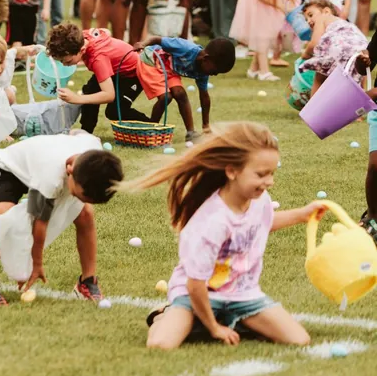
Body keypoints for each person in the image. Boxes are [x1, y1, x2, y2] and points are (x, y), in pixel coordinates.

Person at [130, 123, 318, 349]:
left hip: (242, 294)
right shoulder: (212, 222)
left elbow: (260, 224)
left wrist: (302, 214)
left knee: (299, 340)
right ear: (232, 171)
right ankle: (166, 314)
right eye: (261, 174)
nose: (269, 181)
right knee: (161, 344)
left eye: (271, 173)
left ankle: (230, 319)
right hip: (197, 295)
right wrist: (214, 328)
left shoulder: (260, 200)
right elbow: (195, 285)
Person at [0, 132, 121, 306]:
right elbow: (40, 223)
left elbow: (80, 133)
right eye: (80, 196)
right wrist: (36, 263)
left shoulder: (95, 154)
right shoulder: (50, 177)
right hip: (12, 169)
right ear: (71, 172)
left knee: (86, 214)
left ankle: (87, 281)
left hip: (42, 167)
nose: (80, 200)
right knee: (3, 214)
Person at [51, 23, 149, 133]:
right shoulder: (81, 37)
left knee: (115, 111)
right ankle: (86, 132)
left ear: (82, 50)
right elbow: (106, 31)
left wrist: (77, 98)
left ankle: (151, 126)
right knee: (89, 91)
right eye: (61, 61)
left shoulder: (98, 59)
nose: (64, 64)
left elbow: (109, 95)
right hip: (114, 69)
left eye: (68, 61)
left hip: (132, 74)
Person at [136, 35, 236, 138]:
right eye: (214, 71)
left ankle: (190, 133)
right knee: (166, 97)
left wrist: (206, 126)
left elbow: (204, 97)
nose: (214, 75)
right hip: (151, 60)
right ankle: (150, 130)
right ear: (206, 59)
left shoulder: (203, 72)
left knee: (180, 94)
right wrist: (143, 44)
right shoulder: (185, 48)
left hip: (168, 68)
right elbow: (156, 39)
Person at [300, 0, 367, 97]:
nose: (309, 21)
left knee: (320, 76)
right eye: (306, 20)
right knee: (357, 81)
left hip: (340, 48)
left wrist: (305, 55)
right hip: (361, 49)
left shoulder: (322, 18)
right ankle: (357, 109)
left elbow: (314, 43)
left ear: (326, 11)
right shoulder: (343, 23)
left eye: (310, 15)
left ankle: (314, 110)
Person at [0, 30, 40, 107]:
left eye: (1, 62)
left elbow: (20, 50)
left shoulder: (7, 56)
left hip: (9, 96)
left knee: (10, 98)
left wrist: (31, 50)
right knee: (8, 96)